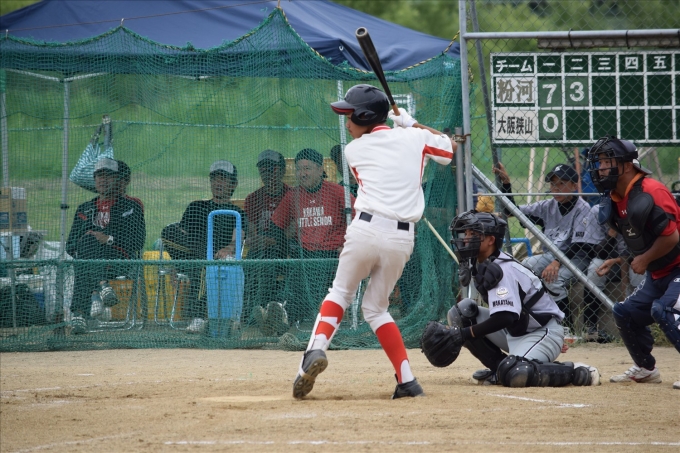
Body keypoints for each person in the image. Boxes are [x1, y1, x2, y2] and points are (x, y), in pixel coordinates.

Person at [292, 84, 456, 399]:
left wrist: (407, 130)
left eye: (350, 116)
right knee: (377, 309)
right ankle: (407, 381)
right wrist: (412, 125)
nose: (347, 123)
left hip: (365, 231)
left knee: (340, 293)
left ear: (366, 116)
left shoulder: (353, 151)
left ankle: (315, 349)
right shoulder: (415, 138)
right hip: (401, 239)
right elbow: (450, 149)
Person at [420, 210, 600, 388]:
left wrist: (464, 334)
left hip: (542, 332)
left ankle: (575, 371)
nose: (466, 239)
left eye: (473, 234)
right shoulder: (484, 263)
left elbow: (505, 317)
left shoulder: (502, 269)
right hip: (516, 330)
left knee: (516, 372)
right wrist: (463, 331)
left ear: (491, 240)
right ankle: (499, 369)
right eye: (465, 233)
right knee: (461, 314)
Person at [586, 136, 680, 390]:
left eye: (606, 162)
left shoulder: (651, 191)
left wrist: (645, 259)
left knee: (664, 309)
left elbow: (671, 237)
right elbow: (638, 240)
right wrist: (623, 259)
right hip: (659, 273)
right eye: (599, 163)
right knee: (624, 312)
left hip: (677, 268)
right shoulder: (616, 197)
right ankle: (646, 368)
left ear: (627, 166)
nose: (600, 168)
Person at [494, 162, 592, 330]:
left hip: (577, 257)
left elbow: (579, 245)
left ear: (574, 186)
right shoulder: (548, 205)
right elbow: (512, 211)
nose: (556, 188)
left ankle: (566, 327)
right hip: (551, 256)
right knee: (524, 267)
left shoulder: (583, 208)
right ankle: (528, 319)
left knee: (553, 280)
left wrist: (557, 263)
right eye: (553, 184)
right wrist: (507, 184)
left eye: (562, 183)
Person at [268, 148, 354, 324]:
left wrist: (348, 245)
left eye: (307, 168)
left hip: (333, 253)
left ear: (320, 169)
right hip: (304, 253)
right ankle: (281, 313)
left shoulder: (337, 192)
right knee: (297, 275)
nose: (302, 174)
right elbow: (276, 227)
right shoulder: (293, 196)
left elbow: (361, 219)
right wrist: (286, 247)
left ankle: (282, 314)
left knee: (307, 276)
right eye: (299, 169)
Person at [161, 160, 246, 334]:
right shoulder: (196, 206)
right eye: (214, 178)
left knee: (204, 267)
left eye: (223, 179)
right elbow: (179, 234)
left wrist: (228, 249)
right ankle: (205, 259)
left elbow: (236, 241)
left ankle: (199, 316)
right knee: (169, 232)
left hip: (218, 265)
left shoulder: (237, 214)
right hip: (192, 257)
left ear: (233, 184)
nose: (217, 183)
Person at [66, 158, 146, 334]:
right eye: (99, 176)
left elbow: (138, 241)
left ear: (117, 179)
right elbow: (70, 245)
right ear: (94, 180)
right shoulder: (84, 208)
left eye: (108, 176)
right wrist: (90, 241)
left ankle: (80, 314)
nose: (103, 180)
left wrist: (108, 239)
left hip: (119, 260)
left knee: (83, 262)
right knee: (87, 243)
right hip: (90, 260)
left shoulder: (131, 206)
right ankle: (102, 286)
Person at [243, 150, 290, 321]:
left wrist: (272, 240)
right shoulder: (253, 198)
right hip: (260, 247)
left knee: (266, 261)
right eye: (263, 169)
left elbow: (292, 231)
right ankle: (256, 309)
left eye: (272, 168)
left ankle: (261, 308)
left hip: (283, 247)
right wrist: (255, 239)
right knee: (255, 261)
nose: (267, 173)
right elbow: (252, 230)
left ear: (282, 170)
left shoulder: (291, 195)